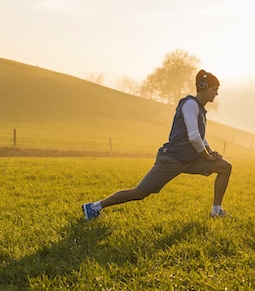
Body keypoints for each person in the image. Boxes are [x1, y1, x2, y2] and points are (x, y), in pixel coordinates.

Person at [82, 69, 232, 220]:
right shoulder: (190, 104)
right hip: (172, 159)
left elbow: (201, 137)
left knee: (224, 167)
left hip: (190, 159)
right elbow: (194, 137)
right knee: (139, 193)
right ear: (203, 86)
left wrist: (211, 153)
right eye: (214, 89)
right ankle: (94, 207)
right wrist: (206, 156)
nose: (216, 94)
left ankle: (216, 211)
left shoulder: (199, 109)